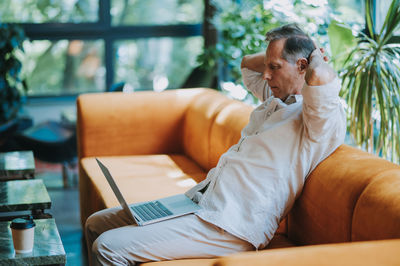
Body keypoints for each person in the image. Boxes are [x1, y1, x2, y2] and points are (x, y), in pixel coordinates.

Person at [85, 23, 346, 265]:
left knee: (107, 247)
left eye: (274, 67)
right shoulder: (276, 98)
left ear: (303, 66)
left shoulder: (316, 119)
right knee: (96, 223)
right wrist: (283, 52)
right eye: (268, 66)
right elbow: (247, 64)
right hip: (199, 203)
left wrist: (314, 53)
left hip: (232, 225)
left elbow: (320, 76)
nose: (265, 75)